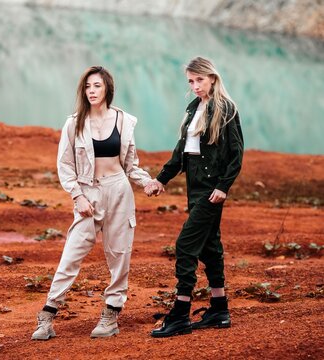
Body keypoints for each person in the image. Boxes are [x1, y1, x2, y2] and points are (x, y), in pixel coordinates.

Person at [31, 66, 156, 340]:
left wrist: (147, 182)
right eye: (88, 87)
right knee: (72, 252)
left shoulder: (124, 121)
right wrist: (77, 196)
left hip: (119, 190)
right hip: (88, 193)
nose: (92, 91)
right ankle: (47, 317)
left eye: (97, 86)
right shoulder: (74, 123)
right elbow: (65, 165)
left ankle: (111, 315)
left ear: (107, 88)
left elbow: (130, 164)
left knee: (119, 254)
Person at [149, 56, 244, 337]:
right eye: (190, 81)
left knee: (186, 245)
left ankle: (180, 313)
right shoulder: (194, 107)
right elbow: (182, 152)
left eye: (199, 80)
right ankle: (219, 308)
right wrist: (161, 179)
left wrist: (224, 187)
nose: (195, 86)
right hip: (196, 187)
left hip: (211, 190)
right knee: (209, 247)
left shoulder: (226, 109)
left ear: (212, 77)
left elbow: (236, 154)